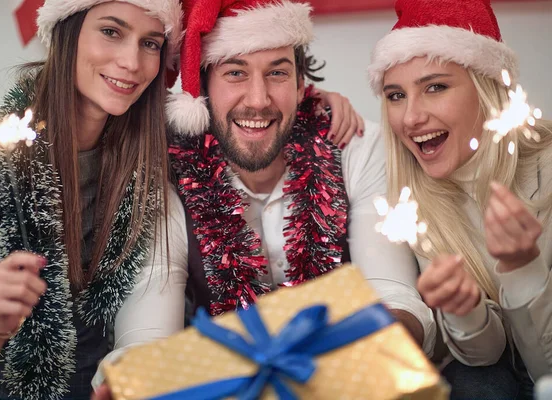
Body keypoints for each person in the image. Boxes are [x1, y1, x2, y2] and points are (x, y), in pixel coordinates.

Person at [92, 0, 437, 392]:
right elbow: (150, 320)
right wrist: (133, 381)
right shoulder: (166, 170)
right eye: (235, 72)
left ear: (300, 83)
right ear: (202, 86)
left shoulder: (355, 145)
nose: (258, 99)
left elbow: (391, 290)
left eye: (277, 73)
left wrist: (377, 346)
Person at [0, 0, 183, 399]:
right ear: (66, 33)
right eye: (111, 31)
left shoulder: (150, 159)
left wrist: (315, 101)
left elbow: (247, 121)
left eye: (150, 43)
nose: (131, 61)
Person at [368, 0, 552, 397]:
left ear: (485, 88)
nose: (411, 118)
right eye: (395, 95)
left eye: (435, 87)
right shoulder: (414, 195)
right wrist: (462, 311)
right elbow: (484, 358)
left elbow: (546, 374)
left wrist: (524, 268)